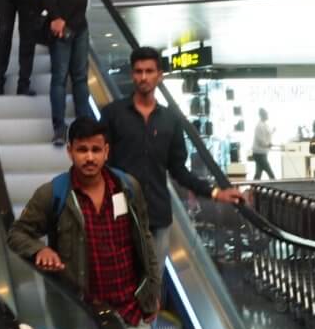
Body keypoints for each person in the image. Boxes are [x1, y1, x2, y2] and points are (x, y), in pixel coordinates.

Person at [7, 117, 160, 329]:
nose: (90, 157)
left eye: (96, 150)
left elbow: (145, 239)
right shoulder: (54, 194)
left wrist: (152, 291)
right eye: (82, 150)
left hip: (131, 312)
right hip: (82, 318)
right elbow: (17, 234)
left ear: (106, 151)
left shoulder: (128, 187)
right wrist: (40, 249)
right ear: (70, 152)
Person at [102, 46, 244, 267]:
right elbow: (102, 165)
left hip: (158, 216)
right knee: (120, 282)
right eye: (138, 71)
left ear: (159, 76)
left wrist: (215, 192)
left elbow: (179, 171)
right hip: (121, 216)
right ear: (132, 74)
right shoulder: (113, 114)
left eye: (149, 71)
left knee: (154, 285)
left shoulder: (170, 120)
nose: (143, 77)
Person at [40, 0, 104, 146]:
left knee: (80, 78)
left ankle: (84, 124)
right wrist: (56, 17)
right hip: (62, 26)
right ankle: (59, 128)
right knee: (60, 77)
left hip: (80, 28)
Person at [252, 108, 275, 180]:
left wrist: (273, 132)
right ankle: (275, 184)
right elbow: (261, 140)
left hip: (263, 152)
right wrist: (267, 144)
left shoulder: (265, 124)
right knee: (270, 172)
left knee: (258, 173)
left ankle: (253, 188)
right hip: (259, 153)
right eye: (266, 114)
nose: (268, 115)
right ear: (262, 115)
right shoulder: (259, 126)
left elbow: (267, 135)